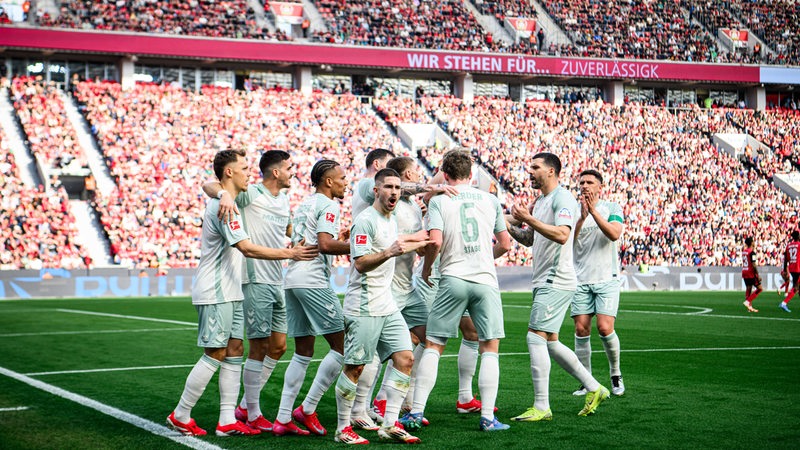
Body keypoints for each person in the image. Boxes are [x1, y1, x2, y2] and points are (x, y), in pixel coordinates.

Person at [166, 149, 317, 437]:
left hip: (232, 288)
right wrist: (290, 253)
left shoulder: (233, 202)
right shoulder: (227, 207)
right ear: (229, 173)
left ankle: (227, 421)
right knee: (215, 352)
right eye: (245, 168)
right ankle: (181, 413)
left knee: (235, 352)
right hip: (216, 288)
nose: (251, 173)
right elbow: (246, 248)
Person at [405, 149, 513, 432]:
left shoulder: (441, 200)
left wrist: (427, 268)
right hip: (485, 280)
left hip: (452, 277)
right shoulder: (491, 200)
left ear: (446, 175)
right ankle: (488, 417)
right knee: (489, 347)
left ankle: (416, 412)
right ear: (472, 174)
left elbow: (435, 242)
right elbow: (505, 244)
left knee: (434, 345)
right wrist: (485, 257)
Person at [506, 152, 609, 423]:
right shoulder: (540, 201)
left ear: (551, 171)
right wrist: (504, 223)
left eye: (535, 167)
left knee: (534, 338)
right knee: (550, 342)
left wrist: (528, 219)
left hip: (556, 278)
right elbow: (529, 238)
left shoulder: (562, 198)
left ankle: (542, 406)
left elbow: (564, 234)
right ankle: (595, 388)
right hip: (544, 279)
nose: (530, 171)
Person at [333, 168, 430, 444]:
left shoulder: (391, 220)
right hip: (363, 306)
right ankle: (342, 429)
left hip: (386, 304)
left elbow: (399, 242)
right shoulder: (365, 221)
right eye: (388, 187)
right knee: (355, 368)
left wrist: (423, 241)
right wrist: (389, 252)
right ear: (376, 191)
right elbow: (360, 263)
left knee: (405, 358)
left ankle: (390, 424)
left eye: (398, 188)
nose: (394, 193)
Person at [202, 150, 296, 432]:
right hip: (254, 279)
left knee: (278, 347)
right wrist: (224, 195)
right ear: (276, 172)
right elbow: (210, 183)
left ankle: (244, 406)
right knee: (258, 347)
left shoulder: (285, 200)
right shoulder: (250, 194)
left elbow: (289, 231)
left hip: (277, 279)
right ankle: (252, 412)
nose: (293, 172)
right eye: (289, 168)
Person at [274, 159, 351, 436]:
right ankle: (307, 409)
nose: (346, 182)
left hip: (292, 279)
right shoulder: (329, 205)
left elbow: (312, 238)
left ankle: (283, 419)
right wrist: (360, 243)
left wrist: (340, 239)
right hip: (312, 280)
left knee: (303, 351)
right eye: (342, 178)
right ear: (328, 181)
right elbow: (325, 245)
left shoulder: (305, 203)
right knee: (345, 346)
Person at [570, 169, 626, 397]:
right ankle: (587, 381)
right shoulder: (573, 210)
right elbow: (567, 241)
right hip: (580, 279)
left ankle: (615, 373)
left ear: (600, 187)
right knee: (581, 329)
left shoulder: (612, 208)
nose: (584, 185)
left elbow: (614, 234)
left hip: (606, 279)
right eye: (581, 182)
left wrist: (593, 212)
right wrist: (583, 217)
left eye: (590, 182)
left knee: (605, 327)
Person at [780, 230, 800, 313]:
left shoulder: (789, 246)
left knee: (798, 287)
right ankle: (784, 303)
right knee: (796, 287)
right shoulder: (799, 245)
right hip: (798, 268)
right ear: (798, 236)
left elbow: (785, 259)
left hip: (792, 268)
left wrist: (785, 269)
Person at [741, 236, 762, 313]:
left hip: (744, 271)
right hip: (750, 272)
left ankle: (749, 307)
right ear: (752, 243)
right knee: (760, 288)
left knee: (748, 288)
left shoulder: (744, 252)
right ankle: (747, 302)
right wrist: (758, 275)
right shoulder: (752, 252)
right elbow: (753, 264)